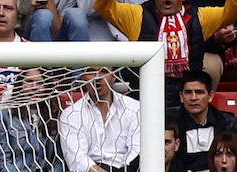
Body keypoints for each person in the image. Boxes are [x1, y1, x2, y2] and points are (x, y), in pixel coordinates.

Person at [93, 0, 237, 107]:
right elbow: (102, 6)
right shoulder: (137, 15)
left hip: (187, 103)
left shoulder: (201, 16)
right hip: (146, 101)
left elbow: (232, 11)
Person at [174, 71, 237, 172]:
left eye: (199, 92)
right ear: (181, 97)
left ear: (210, 96)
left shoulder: (229, 124)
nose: (193, 98)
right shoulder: (170, 125)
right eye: (188, 92)